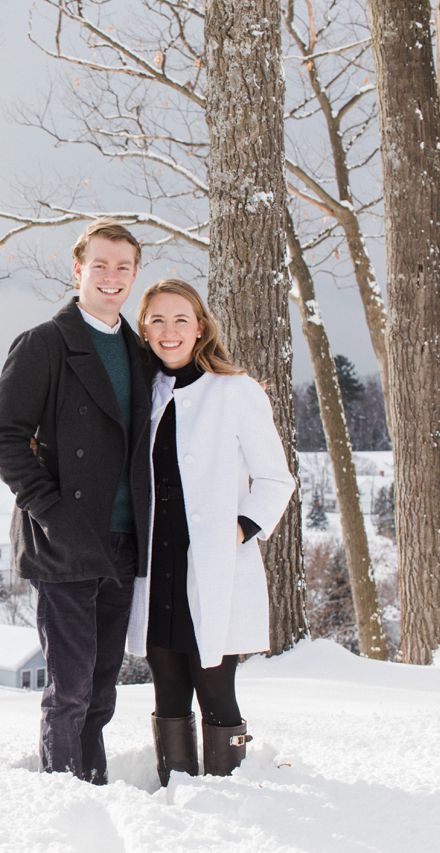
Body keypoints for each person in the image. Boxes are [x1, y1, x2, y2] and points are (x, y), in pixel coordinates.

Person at [0, 218, 153, 782]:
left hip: (126, 543)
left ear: (134, 274)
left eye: (122, 267)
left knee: (103, 688)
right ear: (77, 269)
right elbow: (3, 437)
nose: (111, 277)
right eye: (99, 265)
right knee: (70, 688)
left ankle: (95, 786)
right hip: (65, 544)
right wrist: (52, 511)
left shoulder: (139, 351)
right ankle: (63, 801)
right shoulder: (45, 344)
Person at [128, 278, 294, 784]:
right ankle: (175, 792)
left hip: (213, 565)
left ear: (200, 327)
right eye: (157, 319)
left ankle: (229, 792)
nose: (169, 330)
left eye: (181, 319)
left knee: (215, 685)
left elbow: (275, 478)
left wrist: (242, 529)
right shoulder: (144, 394)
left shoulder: (236, 390)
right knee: (167, 685)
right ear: (144, 329)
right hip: (157, 568)